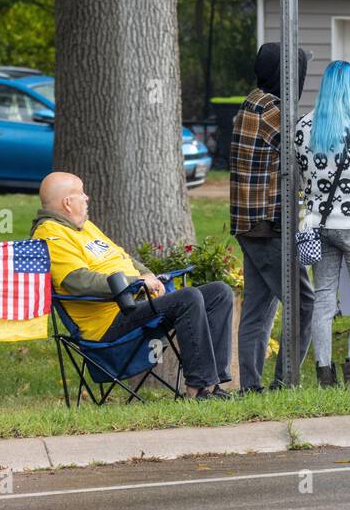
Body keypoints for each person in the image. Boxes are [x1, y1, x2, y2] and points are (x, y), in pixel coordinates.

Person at [31, 172, 235, 398]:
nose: (87, 198)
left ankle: (214, 385)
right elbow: (78, 281)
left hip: (134, 305)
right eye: (81, 193)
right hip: (109, 324)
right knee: (188, 298)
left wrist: (148, 275)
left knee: (219, 292)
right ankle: (198, 390)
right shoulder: (50, 235)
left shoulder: (84, 227)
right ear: (67, 203)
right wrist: (135, 283)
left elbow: (122, 256)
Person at [293, 61, 350, 388]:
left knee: (322, 300)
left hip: (319, 224)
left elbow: (304, 175)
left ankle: (324, 376)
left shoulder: (304, 126)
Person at [231, 43, 317, 392]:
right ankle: (285, 383)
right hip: (269, 226)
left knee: (258, 308)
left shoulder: (252, 104)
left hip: (250, 225)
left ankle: (251, 386)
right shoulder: (274, 112)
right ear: (288, 74)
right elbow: (305, 148)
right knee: (302, 305)